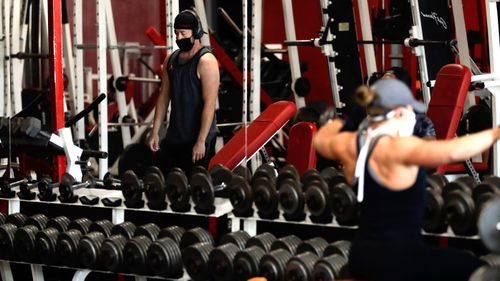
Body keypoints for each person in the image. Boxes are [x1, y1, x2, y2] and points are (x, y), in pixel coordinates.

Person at [313, 79, 491, 281]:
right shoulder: (400, 148)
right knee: (477, 267)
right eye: (409, 110)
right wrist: (495, 132)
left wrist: (334, 123)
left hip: (361, 254)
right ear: (399, 112)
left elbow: (321, 140)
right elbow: (453, 151)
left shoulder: (351, 144)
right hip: (399, 260)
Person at [148, 10, 219, 177]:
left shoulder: (206, 62)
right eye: (176, 33)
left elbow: (209, 104)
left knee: (195, 190)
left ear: (195, 33)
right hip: (175, 137)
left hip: (198, 140)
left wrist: (201, 141)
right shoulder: (170, 60)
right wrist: (155, 131)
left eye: (182, 33)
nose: (178, 38)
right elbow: (164, 96)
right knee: (167, 184)